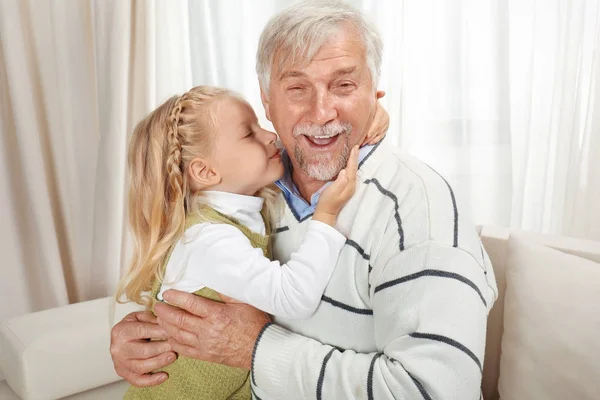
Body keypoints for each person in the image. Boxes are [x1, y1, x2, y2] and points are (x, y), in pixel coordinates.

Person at [110, 1, 498, 399]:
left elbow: (436, 392)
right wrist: (143, 338)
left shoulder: (417, 211)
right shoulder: (257, 187)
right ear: (266, 100)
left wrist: (254, 348)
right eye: (297, 88)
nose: (322, 111)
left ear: (374, 92)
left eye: (344, 85)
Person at [116, 85, 382, 399]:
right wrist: (327, 215)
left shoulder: (240, 211)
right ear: (205, 171)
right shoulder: (209, 240)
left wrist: (367, 116)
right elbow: (294, 297)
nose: (270, 135)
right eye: (248, 133)